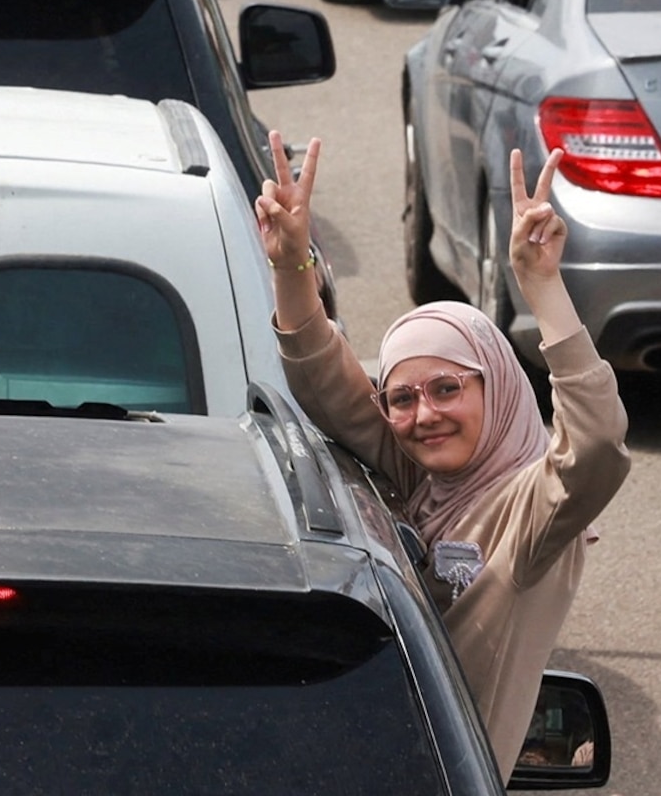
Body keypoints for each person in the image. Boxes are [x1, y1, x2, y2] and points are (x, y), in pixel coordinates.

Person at [253, 134, 630, 777]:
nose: (425, 415)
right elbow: (324, 383)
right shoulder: (414, 471)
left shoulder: (534, 514)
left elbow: (595, 445)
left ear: (497, 384)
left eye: (448, 388)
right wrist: (292, 267)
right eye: (402, 397)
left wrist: (543, 287)